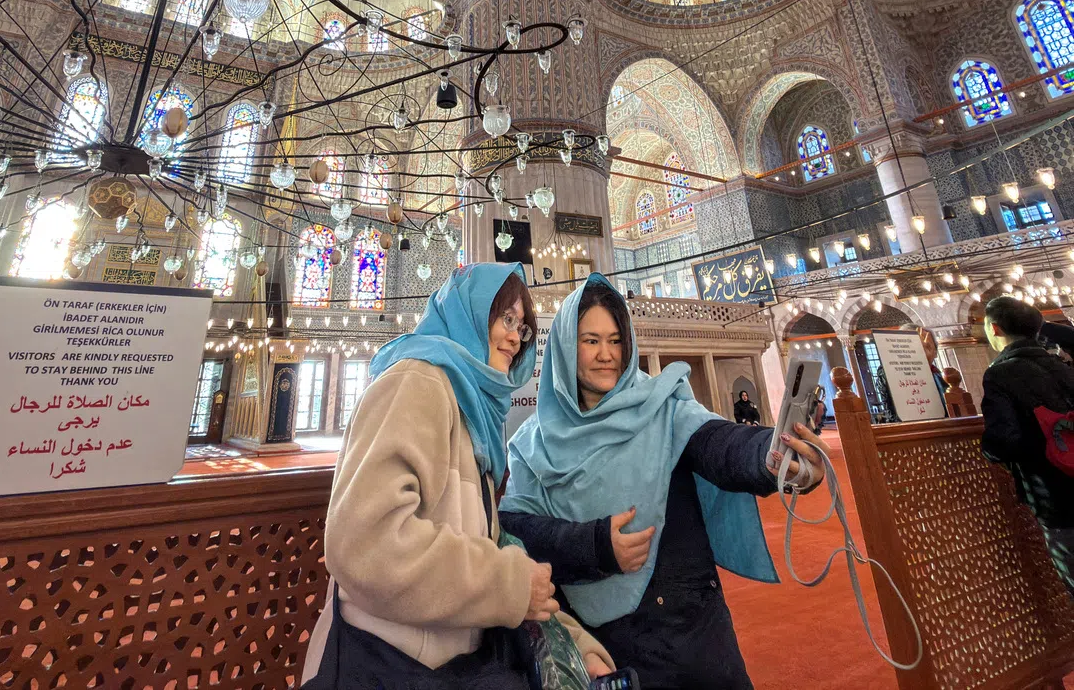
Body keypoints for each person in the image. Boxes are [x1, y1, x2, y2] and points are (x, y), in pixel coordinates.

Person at [499, 274, 825, 690]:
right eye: (591, 341)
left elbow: (721, 445)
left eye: (616, 340)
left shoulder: (664, 407)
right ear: (565, 347)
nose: (606, 355)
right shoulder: (533, 444)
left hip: (691, 633)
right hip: (602, 649)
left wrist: (775, 457)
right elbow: (518, 532)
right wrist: (596, 545)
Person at [301, 262, 614, 688]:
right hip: (387, 666)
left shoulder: (472, 413)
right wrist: (508, 585)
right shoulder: (416, 382)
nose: (515, 338)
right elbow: (365, 544)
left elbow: (490, 550)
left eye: (522, 328)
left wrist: (574, 646)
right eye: (505, 319)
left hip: (449, 666)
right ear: (469, 313)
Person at [981, 295, 1074, 597]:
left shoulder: (1000, 373)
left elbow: (1004, 441)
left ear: (995, 328)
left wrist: (989, 450)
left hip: (1056, 495)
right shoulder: (1063, 366)